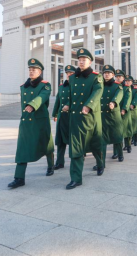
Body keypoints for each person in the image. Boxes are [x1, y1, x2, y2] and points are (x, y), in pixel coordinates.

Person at [8, 58, 54, 189]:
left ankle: (51, 166)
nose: (31, 71)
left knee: (46, 145)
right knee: (22, 149)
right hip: (26, 122)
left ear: (40, 71)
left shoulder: (45, 85)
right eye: (30, 69)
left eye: (34, 69)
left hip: (40, 121)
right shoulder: (24, 87)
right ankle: (19, 178)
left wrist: (33, 105)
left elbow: (42, 97)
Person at [62, 48, 105, 190]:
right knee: (76, 147)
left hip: (90, 118)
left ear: (90, 61)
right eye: (79, 59)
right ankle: (76, 178)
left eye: (84, 59)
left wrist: (88, 105)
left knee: (95, 145)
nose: (81, 62)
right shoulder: (73, 77)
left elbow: (98, 92)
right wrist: (67, 105)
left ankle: (100, 163)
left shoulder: (96, 77)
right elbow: (70, 95)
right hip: (75, 118)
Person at [96, 65, 124, 169]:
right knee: (102, 140)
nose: (107, 74)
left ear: (113, 75)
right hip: (102, 115)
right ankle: (101, 163)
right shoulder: (99, 85)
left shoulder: (117, 86)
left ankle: (120, 154)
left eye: (109, 73)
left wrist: (114, 102)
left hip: (113, 116)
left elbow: (119, 94)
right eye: (105, 73)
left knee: (116, 137)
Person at [52, 65, 75, 170]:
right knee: (60, 141)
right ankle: (59, 162)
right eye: (67, 73)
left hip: (72, 117)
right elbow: (58, 100)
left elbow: (80, 99)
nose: (69, 75)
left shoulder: (77, 86)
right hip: (62, 117)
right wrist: (55, 114)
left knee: (73, 140)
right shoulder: (61, 86)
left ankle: (77, 160)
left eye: (71, 73)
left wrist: (69, 106)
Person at [113, 70, 132, 156]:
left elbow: (127, 100)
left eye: (120, 76)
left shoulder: (127, 88)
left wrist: (124, 109)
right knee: (116, 132)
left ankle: (128, 145)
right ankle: (116, 152)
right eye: (117, 76)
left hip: (124, 112)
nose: (118, 78)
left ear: (123, 78)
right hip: (115, 112)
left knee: (125, 130)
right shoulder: (113, 86)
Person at [130, 80, 137, 146]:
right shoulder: (129, 89)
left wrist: (133, 104)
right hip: (127, 109)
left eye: (136, 85)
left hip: (134, 109)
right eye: (134, 85)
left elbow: (136, 99)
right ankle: (130, 140)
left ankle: (135, 139)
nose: (135, 86)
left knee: (134, 125)